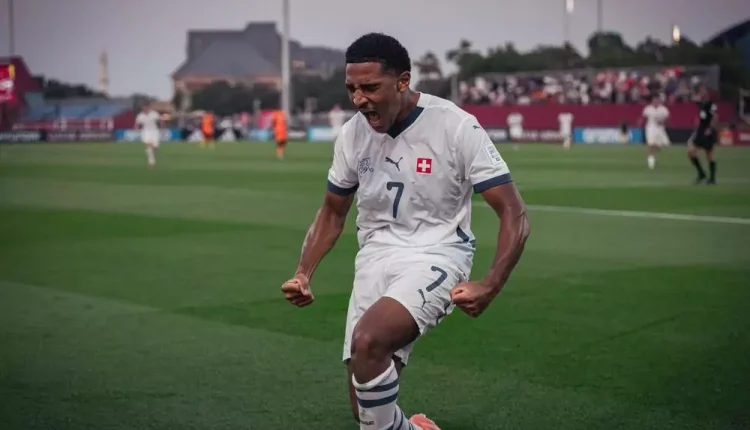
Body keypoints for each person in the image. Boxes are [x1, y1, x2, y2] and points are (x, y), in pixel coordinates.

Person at [280, 33, 530, 430]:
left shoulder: (455, 126)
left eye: (370, 88)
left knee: (369, 341)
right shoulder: (352, 134)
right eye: (351, 89)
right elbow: (332, 211)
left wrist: (491, 284)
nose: (359, 99)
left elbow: (514, 212)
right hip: (375, 257)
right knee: (366, 406)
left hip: (437, 254)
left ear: (402, 81)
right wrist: (303, 272)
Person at [687, 86, 718, 184]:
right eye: (700, 91)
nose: (701, 93)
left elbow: (715, 116)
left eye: (703, 91)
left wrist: (710, 128)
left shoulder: (711, 104)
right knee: (691, 151)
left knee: (709, 154)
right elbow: (692, 99)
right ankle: (701, 173)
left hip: (707, 129)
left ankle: (712, 178)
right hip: (701, 129)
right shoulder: (701, 103)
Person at [640, 94, 670, 169]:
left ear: (659, 101)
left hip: (660, 129)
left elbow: (668, 118)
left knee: (664, 145)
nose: (655, 101)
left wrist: (663, 122)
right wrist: (640, 122)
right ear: (652, 101)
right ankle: (651, 163)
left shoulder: (663, 109)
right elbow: (643, 117)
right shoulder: (648, 108)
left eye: (657, 100)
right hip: (650, 128)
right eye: (654, 100)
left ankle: (651, 156)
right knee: (651, 144)